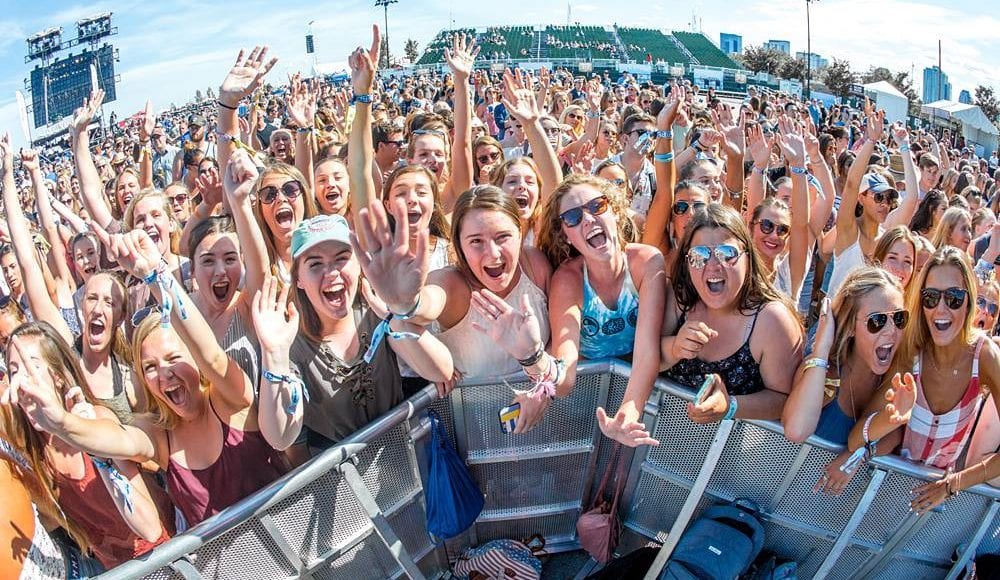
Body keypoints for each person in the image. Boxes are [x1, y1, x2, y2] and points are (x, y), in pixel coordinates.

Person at [1, 321, 171, 569]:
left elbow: (150, 529)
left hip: (162, 556)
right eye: (15, 371)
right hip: (113, 570)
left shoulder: (96, 421)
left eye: (32, 368)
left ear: (58, 377)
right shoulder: (33, 452)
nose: (23, 382)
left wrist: (97, 455)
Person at [847, 247, 1000, 512]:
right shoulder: (911, 351)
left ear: (969, 300)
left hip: (929, 507)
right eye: (930, 297)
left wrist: (953, 483)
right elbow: (856, 439)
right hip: (878, 489)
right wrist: (891, 419)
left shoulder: (984, 356)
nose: (940, 309)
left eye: (953, 298)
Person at [517, 174, 666, 445]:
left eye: (597, 206)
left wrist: (628, 415)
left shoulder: (647, 261)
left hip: (637, 389)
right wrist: (534, 362)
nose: (587, 219)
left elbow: (647, 350)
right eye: (573, 217)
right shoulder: (568, 280)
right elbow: (566, 372)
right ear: (566, 236)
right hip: (583, 400)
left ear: (616, 211)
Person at [659, 204, 803, 423]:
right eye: (699, 255)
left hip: (731, 442)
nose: (713, 266)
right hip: (660, 431)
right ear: (687, 262)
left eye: (727, 254)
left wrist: (730, 406)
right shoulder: (679, 298)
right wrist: (675, 348)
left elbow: (784, 400)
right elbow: (643, 358)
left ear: (748, 257)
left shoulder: (773, 320)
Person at [784, 267, 906, 448]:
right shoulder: (822, 370)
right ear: (849, 326)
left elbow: (891, 441)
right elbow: (796, 430)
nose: (891, 330)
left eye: (899, 318)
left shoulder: (897, 382)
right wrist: (822, 348)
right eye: (877, 320)